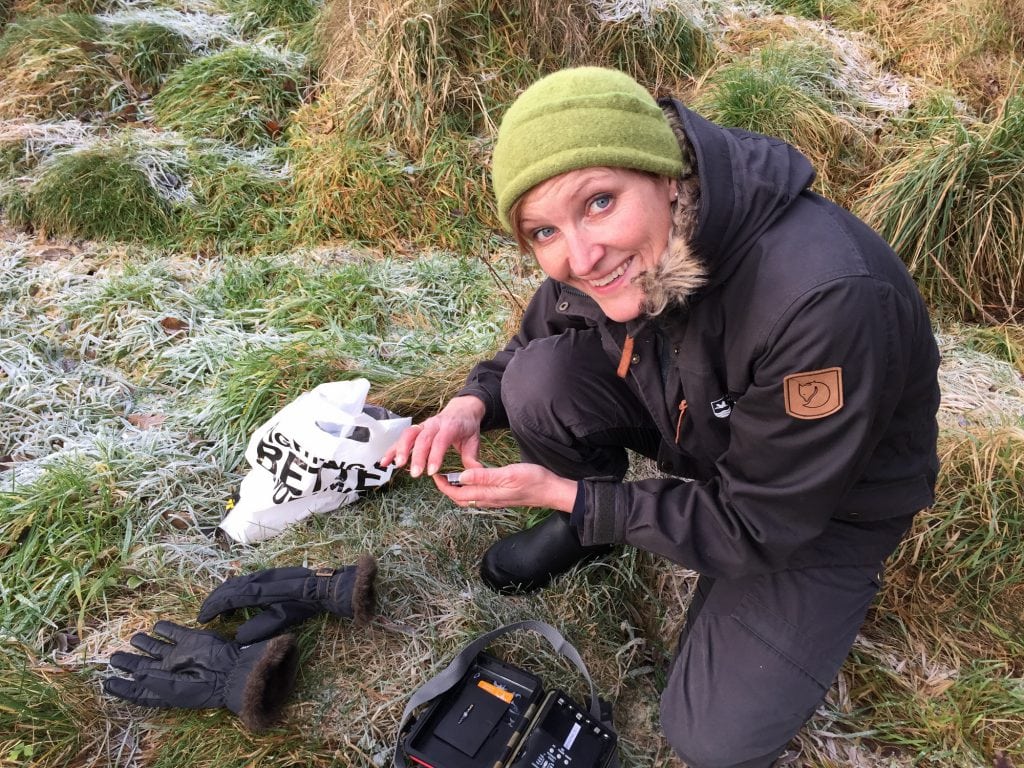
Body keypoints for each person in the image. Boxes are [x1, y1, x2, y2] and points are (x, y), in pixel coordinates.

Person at [380, 67, 940, 768]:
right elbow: (537, 335)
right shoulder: (622, 254)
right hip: (702, 427)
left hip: (818, 510)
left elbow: (758, 524)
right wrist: (469, 403)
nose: (580, 256)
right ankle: (596, 531)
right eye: (544, 230)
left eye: (601, 202)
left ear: (669, 174)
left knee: (710, 736)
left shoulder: (822, 299)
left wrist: (568, 494)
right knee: (536, 381)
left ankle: (609, 519)